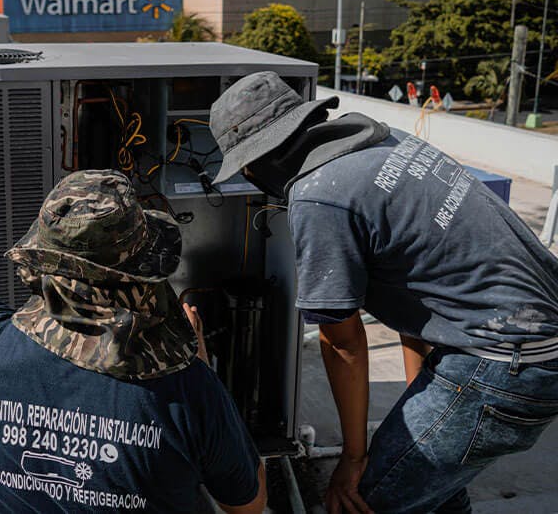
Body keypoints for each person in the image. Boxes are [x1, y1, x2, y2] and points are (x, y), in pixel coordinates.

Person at [0, 62, 266, 514]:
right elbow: (248, 503)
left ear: (44, 257)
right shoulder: (187, 390)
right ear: (141, 273)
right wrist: (197, 362)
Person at [209, 71, 558, 514]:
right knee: (435, 492)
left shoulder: (319, 197)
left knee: (365, 502)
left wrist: (353, 459)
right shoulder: (384, 143)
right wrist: (421, 402)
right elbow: (418, 289)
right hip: (530, 347)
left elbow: (344, 342)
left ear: (255, 165)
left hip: (503, 364)